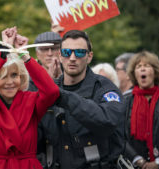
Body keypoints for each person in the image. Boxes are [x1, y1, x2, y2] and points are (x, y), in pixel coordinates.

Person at [0, 27, 60, 169]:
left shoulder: (31, 100)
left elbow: (51, 91)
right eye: (2, 76)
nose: (10, 82)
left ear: (21, 77)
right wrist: (4, 49)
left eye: (14, 75)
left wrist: (25, 56)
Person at [36, 30, 126, 169]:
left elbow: (108, 121)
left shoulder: (104, 87)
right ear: (59, 56)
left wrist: (62, 96)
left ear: (89, 56)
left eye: (79, 52)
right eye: (67, 52)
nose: (72, 58)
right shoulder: (49, 91)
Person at [124, 51, 159, 169]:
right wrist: (137, 159)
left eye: (147, 66)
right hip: (132, 164)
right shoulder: (125, 101)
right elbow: (119, 134)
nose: (142, 69)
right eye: (138, 67)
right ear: (134, 74)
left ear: (155, 72)